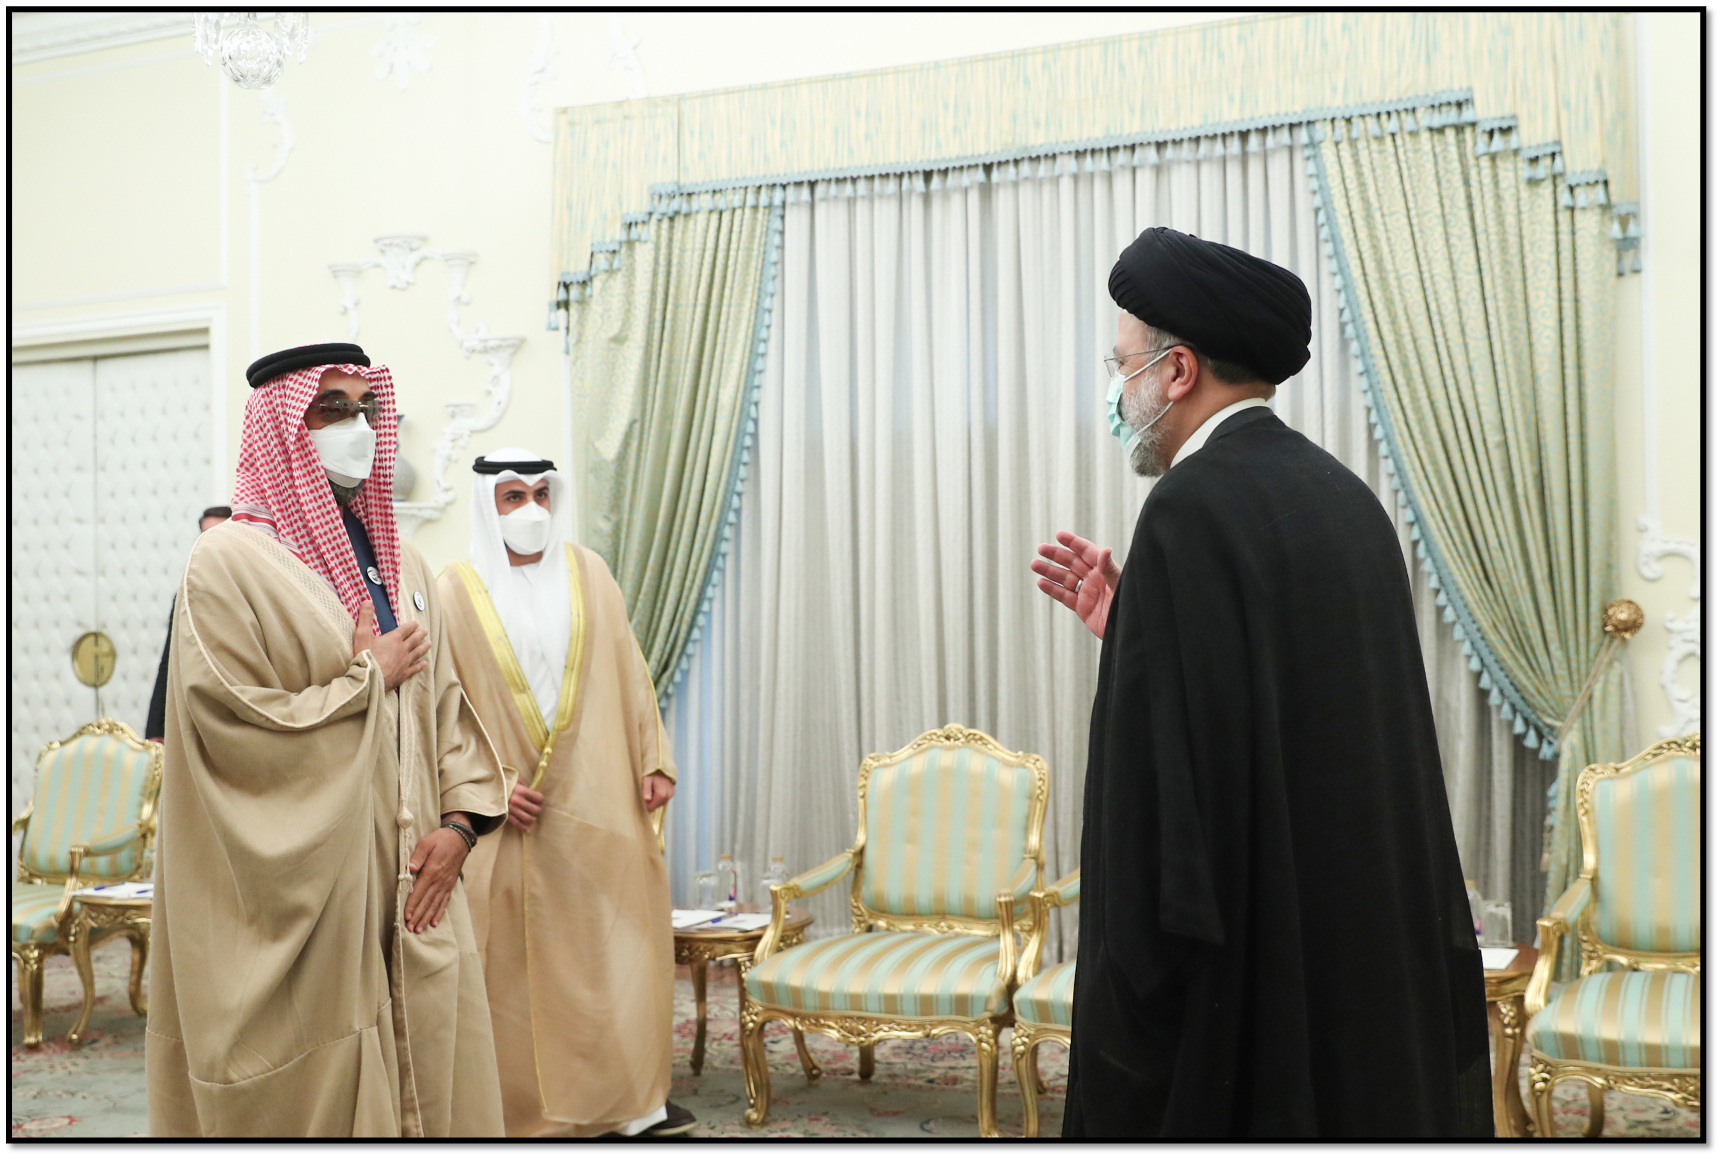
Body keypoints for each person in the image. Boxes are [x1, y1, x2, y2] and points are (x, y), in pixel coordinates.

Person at [1030, 228, 1491, 1136]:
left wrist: (1134, 1018)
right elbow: (1300, 712)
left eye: (1122, 365)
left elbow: (1160, 811)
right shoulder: (1345, 499)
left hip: (1244, 988)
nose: (1117, 391)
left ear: (1176, 371)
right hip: (1352, 960)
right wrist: (1138, 632)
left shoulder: (1187, 512)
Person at [146, 342, 510, 1136]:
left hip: (416, 884)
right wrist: (366, 679)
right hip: (310, 899)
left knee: (434, 1076)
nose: (357, 427)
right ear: (282, 427)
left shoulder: (399, 558)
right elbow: (231, 729)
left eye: (366, 409)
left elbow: (445, 710)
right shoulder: (225, 564)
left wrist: (458, 828)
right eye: (331, 409)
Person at [436, 448, 690, 1138]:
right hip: (507, 813)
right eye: (513, 498)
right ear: (488, 508)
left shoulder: (590, 573)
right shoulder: (453, 590)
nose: (531, 512)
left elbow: (628, 664)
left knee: (608, 948)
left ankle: (625, 1099)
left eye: (541, 495)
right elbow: (441, 706)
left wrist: (653, 756)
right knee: (515, 965)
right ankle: (521, 1113)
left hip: (596, 791)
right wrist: (486, 788)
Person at [144, 506, 230, 743]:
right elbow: (169, 662)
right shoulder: (186, 594)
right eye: (204, 536)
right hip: (194, 717)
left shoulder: (249, 594)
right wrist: (156, 729)